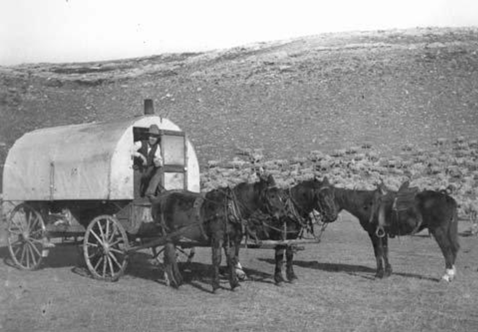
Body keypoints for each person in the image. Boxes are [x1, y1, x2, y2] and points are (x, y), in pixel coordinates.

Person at [131, 124, 164, 200]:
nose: (153, 139)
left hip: (147, 171)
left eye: (155, 137)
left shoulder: (156, 147)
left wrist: (157, 161)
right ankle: (137, 197)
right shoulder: (140, 143)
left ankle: (149, 193)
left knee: (160, 169)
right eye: (151, 136)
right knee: (136, 174)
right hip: (138, 170)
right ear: (148, 136)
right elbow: (130, 150)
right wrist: (140, 156)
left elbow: (159, 158)